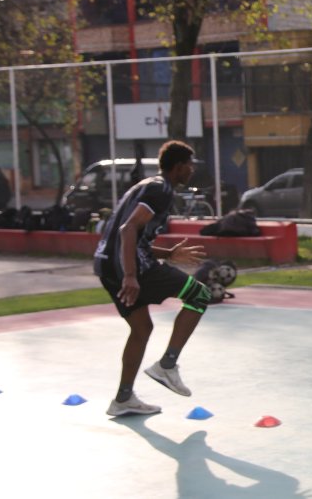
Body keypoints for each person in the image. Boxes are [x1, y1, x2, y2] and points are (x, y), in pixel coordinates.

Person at [94, 140, 209, 417]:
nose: (191, 171)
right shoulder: (161, 189)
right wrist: (131, 276)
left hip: (106, 265)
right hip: (130, 268)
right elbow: (128, 229)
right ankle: (167, 365)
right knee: (200, 295)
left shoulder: (145, 186)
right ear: (179, 167)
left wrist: (168, 252)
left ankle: (123, 399)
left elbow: (133, 237)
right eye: (189, 166)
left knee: (142, 328)